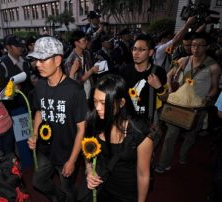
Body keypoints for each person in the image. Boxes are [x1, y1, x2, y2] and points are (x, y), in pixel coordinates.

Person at [27, 37, 87, 201]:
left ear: (58, 59)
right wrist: (35, 136)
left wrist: (73, 160)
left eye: (42, 59)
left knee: (68, 188)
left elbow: (81, 128)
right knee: (38, 181)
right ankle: (58, 198)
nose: (37, 64)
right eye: (36, 60)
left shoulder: (75, 90)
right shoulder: (39, 85)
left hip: (67, 153)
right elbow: (39, 112)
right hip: (45, 150)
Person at [155, 32, 221, 173]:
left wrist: (208, 98)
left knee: (191, 136)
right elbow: (169, 75)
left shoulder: (214, 67)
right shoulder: (183, 60)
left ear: (207, 46)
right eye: (193, 45)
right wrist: (171, 88)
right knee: (170, 135)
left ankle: (183, 156)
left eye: (199, 45)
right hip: (178, 105)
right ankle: (163, 163)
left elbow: (215, 88)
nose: (195, 49)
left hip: (198, 107)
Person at [83, 74, 153, 202]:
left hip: (126, 194)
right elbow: (88, 152)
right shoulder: (94, 121)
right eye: (95, 101)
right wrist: (89, 171)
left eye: (104, 103)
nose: (97, 108)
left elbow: (143, 175)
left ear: (121, 103)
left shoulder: (140, 134)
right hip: (101, 189)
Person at [64, 30, 98, 100]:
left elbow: (91, 70)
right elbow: (75, 84)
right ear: (76, 43)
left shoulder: (87, 53)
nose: (86, 42)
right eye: (84, 40)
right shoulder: (70, 61)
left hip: (91, 90)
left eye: (86, 40)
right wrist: (91, 71)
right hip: (79, 96)